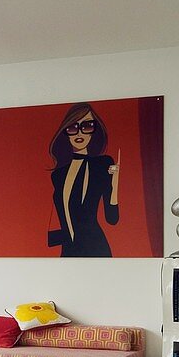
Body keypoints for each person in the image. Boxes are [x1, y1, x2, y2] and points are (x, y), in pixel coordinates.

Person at [47, 103, 119, 257]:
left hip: (96, 249)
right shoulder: (58, 175)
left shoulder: (102, 164)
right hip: (68, 251)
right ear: (66, 132)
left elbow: (112, 218)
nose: (79, 133)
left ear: (94, 130)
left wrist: (115, 181)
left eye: (86, 126)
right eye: (73, 128)